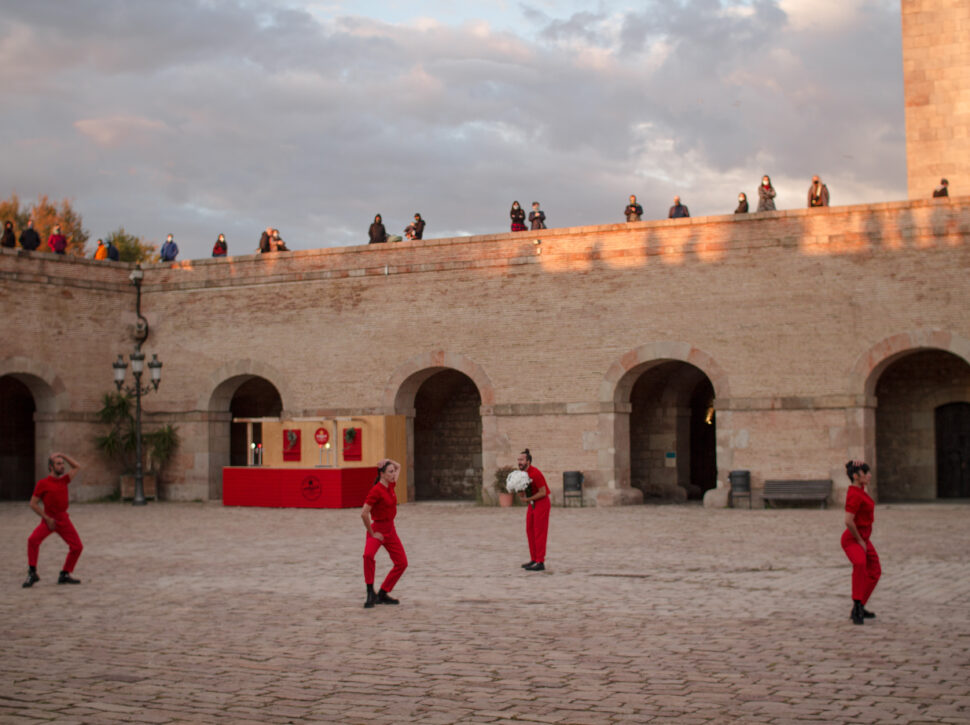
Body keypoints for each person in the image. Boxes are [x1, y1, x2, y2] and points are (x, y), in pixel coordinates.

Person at [22, 452, 84, 588]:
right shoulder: (43, 483)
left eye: (62, 464)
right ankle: (32, 573)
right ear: (51, 467)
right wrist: (46, 518)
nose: (62, 466)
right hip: (49, 519)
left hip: (63, 519)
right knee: (32, 541)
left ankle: (65, 574)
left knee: (77, 547)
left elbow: (77, 466)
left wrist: (63, 455)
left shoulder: (64, 480)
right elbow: (33, 503)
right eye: (58, 464)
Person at [360, 458, 407, 608]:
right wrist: (372, 533)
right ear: (382, 474)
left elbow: (399, 465)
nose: (394, 474)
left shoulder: (391, 485)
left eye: (393, 472)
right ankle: (370, 592)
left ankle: (382, 593)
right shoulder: (376, 491)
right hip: (378, 530)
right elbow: (364, 513)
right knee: (368, 556)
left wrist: (388, 461)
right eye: (390, 472)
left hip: (390, 530)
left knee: (402, 563)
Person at [841, 460, 880, 625]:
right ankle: (857, 607)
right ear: (857, 477)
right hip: (852, 539)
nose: (869, 475)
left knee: (875, 571)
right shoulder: (854, 495)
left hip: (863, 538)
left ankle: (861, 604)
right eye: (866, 473)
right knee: (860, 564)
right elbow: (848, 521)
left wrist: (856, 465)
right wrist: (859, 540)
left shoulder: (861, 490)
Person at [517, 448, 550, 571]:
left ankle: (540, 561)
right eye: (518, 460)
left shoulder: (535, 473)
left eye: (521, 460)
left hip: (541, 503)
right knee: (530, 530)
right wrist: (520, 493)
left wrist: (528, 498)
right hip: (532, 503)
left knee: (539, 532)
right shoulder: (522, 474)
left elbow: (543, 492)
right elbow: (524, 492)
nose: (519, 462)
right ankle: (533, 559)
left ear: (528, 461)